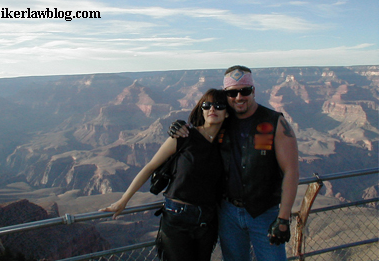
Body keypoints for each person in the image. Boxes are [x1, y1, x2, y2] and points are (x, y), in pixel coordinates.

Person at [168, 65, 299, 261]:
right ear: (226, 95)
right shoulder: (222, 120)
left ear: (253, 91)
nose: (239, 97)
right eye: (232, 92)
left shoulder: (274, 122)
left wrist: (283, 218)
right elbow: (199, 133)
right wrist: (178, 127)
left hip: (264, 213)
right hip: (228, 213)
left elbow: (291, 171)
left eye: (244, 91)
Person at [99, 88, 229, 261]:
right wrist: (123, 201)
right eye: (207, 105)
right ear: (202, 109)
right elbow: (150, 167)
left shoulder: (228, 143)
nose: (212, 109)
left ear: (227, 114)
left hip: (207, 222)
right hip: (177, 220)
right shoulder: (184, 136)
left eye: (219, 105)